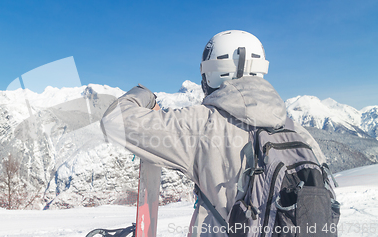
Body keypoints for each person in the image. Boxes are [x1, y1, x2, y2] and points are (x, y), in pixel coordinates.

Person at [100, 30, 326, 237]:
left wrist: (143, 94)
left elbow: (114, 121)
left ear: (211, 74)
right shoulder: (302, 136)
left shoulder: (201, 124)